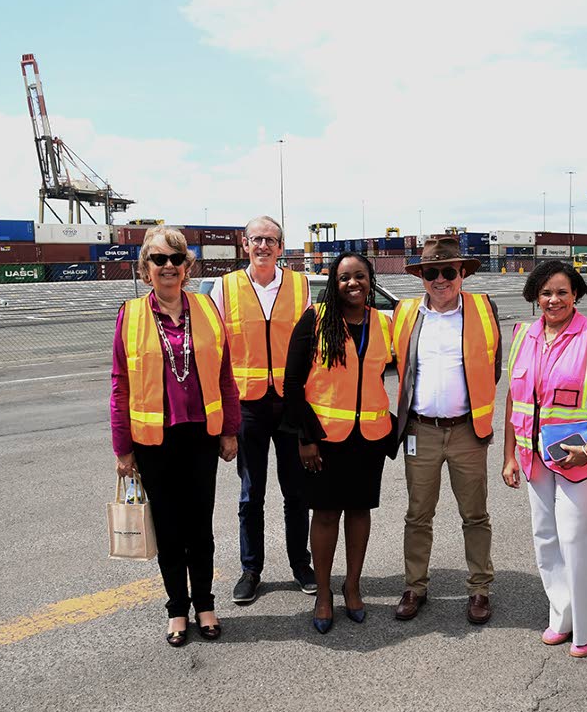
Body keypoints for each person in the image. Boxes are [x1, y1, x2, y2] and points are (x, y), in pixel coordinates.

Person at [111, 227, 240, 646]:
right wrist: (122, 447)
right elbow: (119, 385)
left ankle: (205, 603)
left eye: (175, 259)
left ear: (187, 267)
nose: (168, 266)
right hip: (154, 442)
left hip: (201, 436)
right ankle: (177, 609)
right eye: (158, 259)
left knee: (200, 527)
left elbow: (224, 374)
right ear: (145, 269)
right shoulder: (129, 315)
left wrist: (230, 431)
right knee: (168, 530)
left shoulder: (206, 308)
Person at [502, 260, 587, 658]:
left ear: (576, 295)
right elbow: (514, 398)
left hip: (581, 458)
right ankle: (562, 615)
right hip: (534, 454)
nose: (554, 299)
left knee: (576, 537)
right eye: (546, 292)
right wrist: (509, 456)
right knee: (546, 538)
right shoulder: (523, 334)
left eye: (562, 292)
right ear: (535, 296)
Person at [282, 252, 395, 634]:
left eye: (360, 276)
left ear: (370, 280)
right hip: (324, 440)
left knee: (360, 511)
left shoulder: (383, 322)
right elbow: (292, 385)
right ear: (334, 282)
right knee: (327, 514)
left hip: (369, 439)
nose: (353, 284)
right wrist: (306, 437)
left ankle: (353, 586)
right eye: (345, 277)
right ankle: (325, 593)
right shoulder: (316, 319)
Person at [391, 236, 502, 624]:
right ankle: (414, 586)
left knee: (475, 515)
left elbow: (494, 366)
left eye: (448, 271)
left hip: (467, 432)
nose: (441, 279)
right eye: (432, 272)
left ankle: (479, 588)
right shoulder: (405, 314)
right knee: (418, 515)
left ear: (461, 274)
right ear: (422, 277)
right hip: (420, 431)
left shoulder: (483, 309)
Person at [210, 215, 315, 605]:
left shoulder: (300, 285)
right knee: (251, 494)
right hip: (247, 407)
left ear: (281, 246)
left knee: (295, 492)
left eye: (271, 240)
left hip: (289, 404)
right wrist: (223, 416)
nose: (263, 246)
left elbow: (309, 347)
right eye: (257, 239)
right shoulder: (224, 289)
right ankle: (250, 569)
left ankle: (300, 565)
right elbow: (217, 353)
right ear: (245, 244)